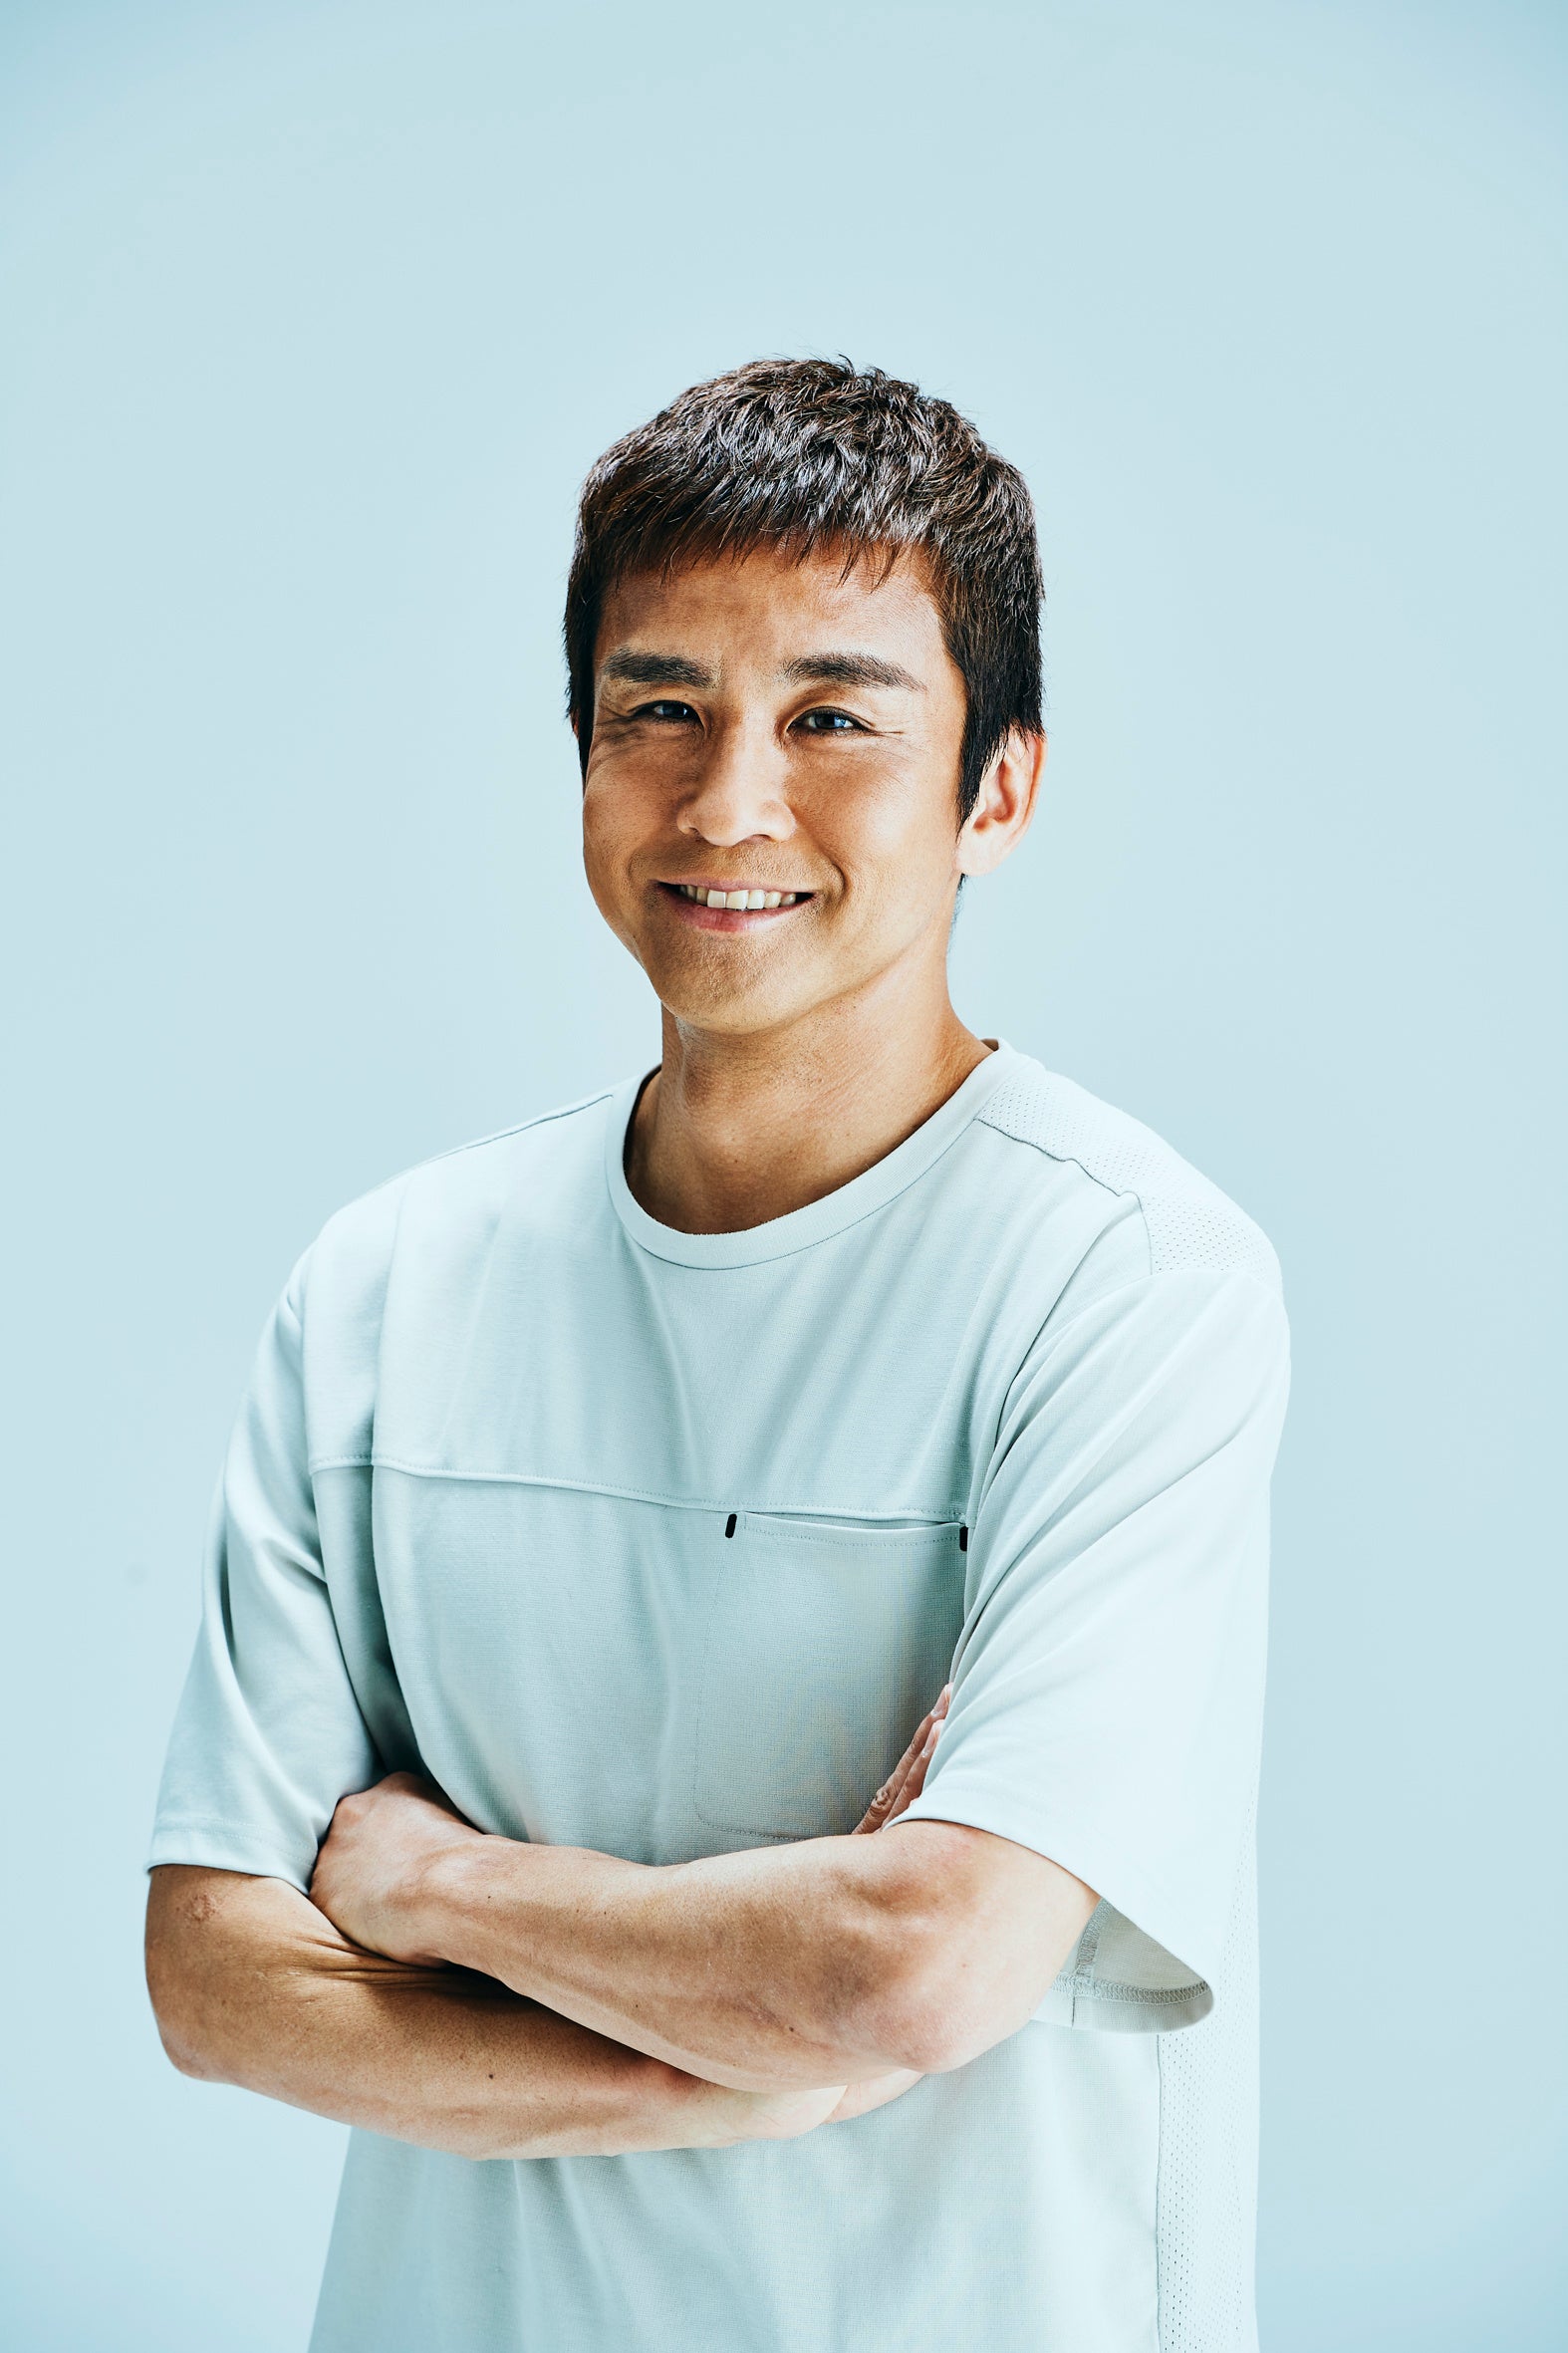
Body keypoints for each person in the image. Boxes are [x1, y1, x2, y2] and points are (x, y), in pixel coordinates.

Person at [145, 358, 1290, 2353]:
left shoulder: (1125, 1279)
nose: (726, 800)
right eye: (657, 709)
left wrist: (424, 1883)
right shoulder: (387, 1285)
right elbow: (216, 1976)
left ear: (996, 786)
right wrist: (735, 2070)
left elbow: (920, 1963)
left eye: (833, 716)